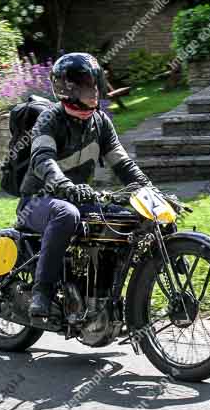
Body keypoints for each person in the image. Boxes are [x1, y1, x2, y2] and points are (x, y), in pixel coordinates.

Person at [18, 52, 153, 320]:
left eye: (95, 84)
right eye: (85, 86)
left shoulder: (100, 122)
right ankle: (41, 292)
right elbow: (42, 159)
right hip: (38, 201)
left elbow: (123, 165)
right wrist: (65, 185)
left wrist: (150, 191)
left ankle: (103, 298)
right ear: (67, 90)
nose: (93, 92)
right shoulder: (50, 119)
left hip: (81, 198)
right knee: (66, 213)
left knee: (127, 218)